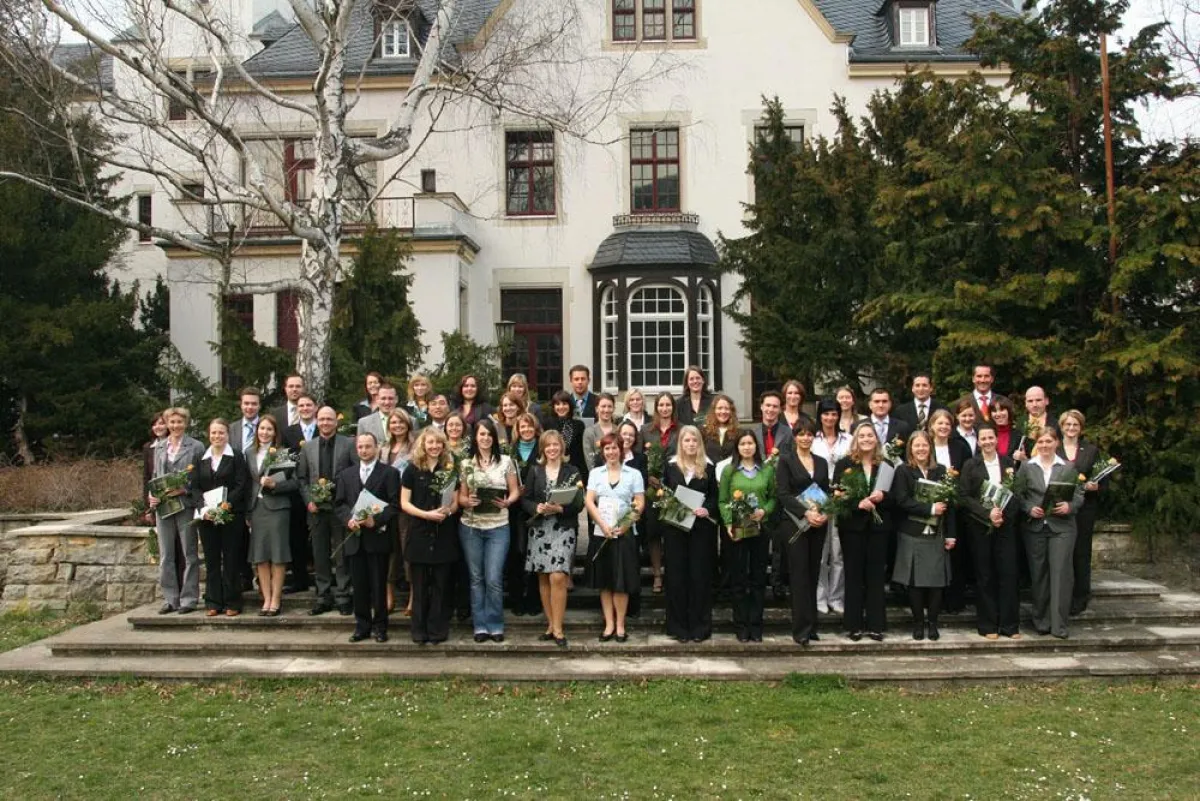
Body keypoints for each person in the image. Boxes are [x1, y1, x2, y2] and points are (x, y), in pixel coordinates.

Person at [1017, 426, 1085, 638]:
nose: (1045, 445)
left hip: (1062, 527)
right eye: (1041, 442)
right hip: (1035, 527)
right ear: (1036, 444)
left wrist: (1069, 507)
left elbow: (1079, 494)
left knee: (1061, 574)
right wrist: (1028, 507)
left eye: (1049, 441)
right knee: (1039, 575)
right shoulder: (1027, 467)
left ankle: (1059, 625)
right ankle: (1042, 621)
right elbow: (1017, 494)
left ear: (1056, 443)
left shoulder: (1068, 467)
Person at [458, 418, 521, 642]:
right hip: (471, 527)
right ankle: (480, 625)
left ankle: (495, 624)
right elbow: (461, 496)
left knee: (493, 578)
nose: (485, 438)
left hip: (498, 526)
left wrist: (508, 502)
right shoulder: (466, 464)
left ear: (494, 437)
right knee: (476, 578)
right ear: (475, 437)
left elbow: (515, 491)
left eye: (489, 434)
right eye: (481, 434)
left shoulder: (506, 462)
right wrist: (467, 502)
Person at [335, 433, 401, 643]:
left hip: (378, 539)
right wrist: (348, 520)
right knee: (360, 585)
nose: (364, 450)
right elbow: (340, 504)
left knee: (378, 584)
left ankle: (380, 626)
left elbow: (395, 504)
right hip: (355, 539)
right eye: (360, 447)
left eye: (368, 446)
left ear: (376, 447)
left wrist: (377, 520)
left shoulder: (389, 473)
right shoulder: (346, 474)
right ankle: (361, 626)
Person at [522, 430, 585, 647]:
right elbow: (525, 499)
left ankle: (559, 628)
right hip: (540, 529)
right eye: (548, 446)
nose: (552, 449)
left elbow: (580, 503)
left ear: (562, 447)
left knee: (558, 576)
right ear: (543, 449)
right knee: (544, 578)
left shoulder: (573, 471)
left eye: (555, 445)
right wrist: (535, 507)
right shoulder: (535, 471)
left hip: (563, 528)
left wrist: (561, 508)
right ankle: (550, 625)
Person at [891, 431, 955, 640]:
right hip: (912, 532)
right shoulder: (903, 471)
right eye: (916, 446)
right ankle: (918, 623)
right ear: (910, 448)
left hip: (937, 533)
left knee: (936, 582)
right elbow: (901, 500)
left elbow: (951, 504)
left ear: (930, 448)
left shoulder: (941, 471)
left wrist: (951, 534)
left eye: (924, 445)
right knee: (915, 582)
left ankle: (933, 623)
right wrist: (929, 509)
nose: (921, 449)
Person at [960, 422, 1021, 639]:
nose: (987, 442)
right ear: (978, 441)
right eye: (983, 438)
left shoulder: (1009, 463)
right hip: (980, 527)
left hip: (1005, 526)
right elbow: (964, 496)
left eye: (991, 438)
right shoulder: (970, 465)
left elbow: (1017, 493)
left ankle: (1010, 626)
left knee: (1008, 574)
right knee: (985, 575)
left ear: (997, 439)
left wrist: (1002, 516)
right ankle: (988, 625)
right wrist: (988, 515)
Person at [400, 427, 461, 645]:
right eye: (430, 443)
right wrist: (426, 514)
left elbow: (455, 502)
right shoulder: (411, 470)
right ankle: (419, 630)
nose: (434, 446)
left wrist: (449, 511)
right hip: (419, 533)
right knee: (419, 585)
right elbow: (404, 503)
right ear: (423, 445)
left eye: (438, 443)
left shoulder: (450, 471)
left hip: (444, 533)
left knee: (440, 586)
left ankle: (437, 630)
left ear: (443, 446)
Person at [661, 425, 720, 642]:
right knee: (676, 577)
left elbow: (715, 497)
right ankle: (678, 627)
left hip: (700, 530)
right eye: (686, 441)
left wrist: (707, 509)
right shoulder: (670, 466)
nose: (691, 444)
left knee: (699, 577)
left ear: (699, 443)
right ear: (681, 443)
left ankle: (700, 627)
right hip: (675, 529)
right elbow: (663, 494)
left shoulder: (708, 467)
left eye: (694, 441)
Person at [296, 406, 356, 616]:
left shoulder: (348, 444)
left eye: (329, 419)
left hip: (340, 508)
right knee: (319, 554)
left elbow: (354, 473)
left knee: (341, 555)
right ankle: (322, 597)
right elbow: (301, 478)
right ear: (316, 421)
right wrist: (308, 500)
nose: (325, 423)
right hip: (316, 509)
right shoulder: (308, 447)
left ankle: (343, 596)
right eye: (321, 419)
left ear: (335, 422)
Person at [585, 433, 645, 643]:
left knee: (621, 581)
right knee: (605, 580)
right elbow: (590, 500)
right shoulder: (595, 473)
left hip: (624, 533)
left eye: (614, 448)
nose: (611, 452)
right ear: (602, 452)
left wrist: (625, 524)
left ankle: (620, 625)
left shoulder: (634, 474)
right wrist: (602, 524)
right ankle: (608, 624)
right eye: (607, 449)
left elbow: (639, 502)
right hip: (602, 533)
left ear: (621, 449)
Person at [775, 419, 830, 645]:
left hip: (818, 523)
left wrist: (826, 512)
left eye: (810, 434)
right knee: (799, 576)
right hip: (795, 523)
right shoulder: (786, 461)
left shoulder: (822, 462)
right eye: (801, 434)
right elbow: (784, 493)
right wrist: (805, 513)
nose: (806, 438)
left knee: (813, 573)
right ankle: (801, 630)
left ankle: (812, 625)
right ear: (795, 437)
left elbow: (826, 491)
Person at [834, 422, 890, 641]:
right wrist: (858, 503)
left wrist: (883, 497)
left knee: (876, 577)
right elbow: (837, 496)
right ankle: (853, 625)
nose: (866, 439)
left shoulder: (886, 465)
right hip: (853, 529)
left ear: (876, 439)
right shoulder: (844, 464)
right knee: (853, 576)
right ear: (855, 439)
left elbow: (897, 496)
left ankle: (876, 625)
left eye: (870, 435)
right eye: (862, 436)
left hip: (878, 529)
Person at [718, 429, 775, 642]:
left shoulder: (767, 470)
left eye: (750, 443)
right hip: (739, 531)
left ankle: (756, 624)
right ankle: (741, 625)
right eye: (743, 444)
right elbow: (722, 500)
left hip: (760, 529)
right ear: (737, 448)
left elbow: (773, 498)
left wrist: (765, 511)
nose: (747, 447)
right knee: (739, 578)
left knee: (759, 578)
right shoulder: (729, 471)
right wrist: (729, 523)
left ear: (756, 446)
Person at [147, 407, 204, 614]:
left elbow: (201, 479)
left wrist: (185, 489)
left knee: (190, 553)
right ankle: (170, 599)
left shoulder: (196, 447)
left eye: (179, 422)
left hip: (185, 505)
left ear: (186, 423)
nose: (175, 426)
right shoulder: (160, 447)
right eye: (172, 422)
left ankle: (189, 598)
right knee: (166, 555)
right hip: (163, 507)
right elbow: (154, 475)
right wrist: (151, 496)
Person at [191, 418, 250, 617]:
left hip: (230, 515)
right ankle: (213, 601)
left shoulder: (237, 457)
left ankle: (233, 600)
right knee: (212, 560)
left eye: (221, 433)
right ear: (209, 434)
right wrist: (204, 508)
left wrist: (225, 505)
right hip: (207, 517)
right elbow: (195, 487)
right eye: (214, 433)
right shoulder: (201, 457)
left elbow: (241, 485)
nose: (217, 436)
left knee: (232, 559)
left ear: (228, 435)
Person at [245, 415, 297, 616]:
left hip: (278, 509)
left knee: (277, 554)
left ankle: (276, 598)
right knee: (260, 557)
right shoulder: (249, 453)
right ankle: (265, 598)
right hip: (257, 509)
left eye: (269, 429)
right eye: (261, 428)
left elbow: (294, 483)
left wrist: (275, 485)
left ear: (275, 432)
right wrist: (248, 511)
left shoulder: (283, 453)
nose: (264, 432)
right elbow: (248, 484)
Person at [1058, 409, 1102, 615]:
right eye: (1067, 424)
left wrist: (1096, 486)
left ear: (1081, 428)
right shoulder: (1053, 447)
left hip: (1084, 508)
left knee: (1081, 552)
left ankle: (1081, 595)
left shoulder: (1091, 450)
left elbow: (1103, 479)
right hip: (1058, 508)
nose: (1071, 428)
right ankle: (1061, 595)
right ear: (1061, 427)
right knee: (1062, 553)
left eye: (1075, 425)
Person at [751, 390, 793, 599]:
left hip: (778, 493)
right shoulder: (752, 432)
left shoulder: (788, 433)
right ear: (761, 407)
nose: (770, 410)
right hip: (756, 492)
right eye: (767, 405)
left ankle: (777, 583)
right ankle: (756, 581)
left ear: (780, 409)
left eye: (775, 406)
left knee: (779, 543)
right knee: (757, 540)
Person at [812, 398, 851, 616]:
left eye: (834, 413)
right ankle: (820, 597)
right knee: (820, 552)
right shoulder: (813, 439)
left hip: (841, 499)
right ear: (820, 416)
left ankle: (836, 597)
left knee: (838, 553)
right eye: (826, 414)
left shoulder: (848, 439)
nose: (830, 418)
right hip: (817, 499)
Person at [640, 391, 680, 595]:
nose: (665, 409)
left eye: (668, 405)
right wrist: (648, 477)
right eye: (661, 405)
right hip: (652, 490)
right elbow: (638, 459)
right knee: (654, 532)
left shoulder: (680, 430)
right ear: (656, 408)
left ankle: (672, 574)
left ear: (673, 407)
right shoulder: (646, 430)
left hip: (674, 488)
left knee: (672, 532)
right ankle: (657, 574)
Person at [505, 411, 543, 616]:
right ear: (517, 431)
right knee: (516, 556)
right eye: (522, 427)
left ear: (535, 428)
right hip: (514, 511)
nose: (526, 430)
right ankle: (516, 598)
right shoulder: (509, 452)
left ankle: (534, 599)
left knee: (536, 554)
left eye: (530, 426)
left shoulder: (543, 449)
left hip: (537, 511)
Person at [282, 393, 318, 594]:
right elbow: (285, 461)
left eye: (308, 405)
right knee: (297, 535)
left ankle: (324, 578)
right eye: (301, 405)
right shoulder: (288, 432)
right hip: (296, 490)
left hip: (320, 488)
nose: (305, 408)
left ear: (315, 407)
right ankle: (299, 578)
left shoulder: (323, 427)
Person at [384, 409, 416, 614]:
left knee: (407, 550)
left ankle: (413, 596)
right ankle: (389, 594)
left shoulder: (415, 448)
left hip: (407, 507)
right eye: (393, 422)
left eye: (401, 422)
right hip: (386, 506)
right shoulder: (382, 449)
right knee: (388, 551)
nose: (397, 426)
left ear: (408, 424)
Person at [543, 390, 588, 479]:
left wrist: (583, 474)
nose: (561, 407)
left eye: (564, 404)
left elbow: (581, 453)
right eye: (558, 404)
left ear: (570, 406)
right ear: (553, 406)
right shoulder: (547, 423)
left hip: (573, 469)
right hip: (552, 469)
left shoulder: (579, 425)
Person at [867, 387, 911, 456]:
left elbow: (907, 454)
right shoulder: (859, 426)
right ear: (870, 405)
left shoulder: (902, 427)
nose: (881, 405)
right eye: (876, 401)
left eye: (884, 401)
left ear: (890, 404)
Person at [582, 392, 619, 468]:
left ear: (614, 409)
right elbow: (590, 461)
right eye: (603, 406)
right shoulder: (589, 432)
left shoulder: (618, 430)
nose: (606, 410)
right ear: (596, 409)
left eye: (609, 406)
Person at [701, 394, 739, 466]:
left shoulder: (738, 432)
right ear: (714, 410)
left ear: (731, 411)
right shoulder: (703, 431)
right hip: (709, 474)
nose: (723, 411)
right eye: (719, 408)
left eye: (727, 408)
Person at [358, 382, 399, 447]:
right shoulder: (363, 423)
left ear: (396, 399)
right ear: (377, 399)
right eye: (383, 398)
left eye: (390, 398)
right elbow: (360, 450)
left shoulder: (411, 421)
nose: (387, 402)